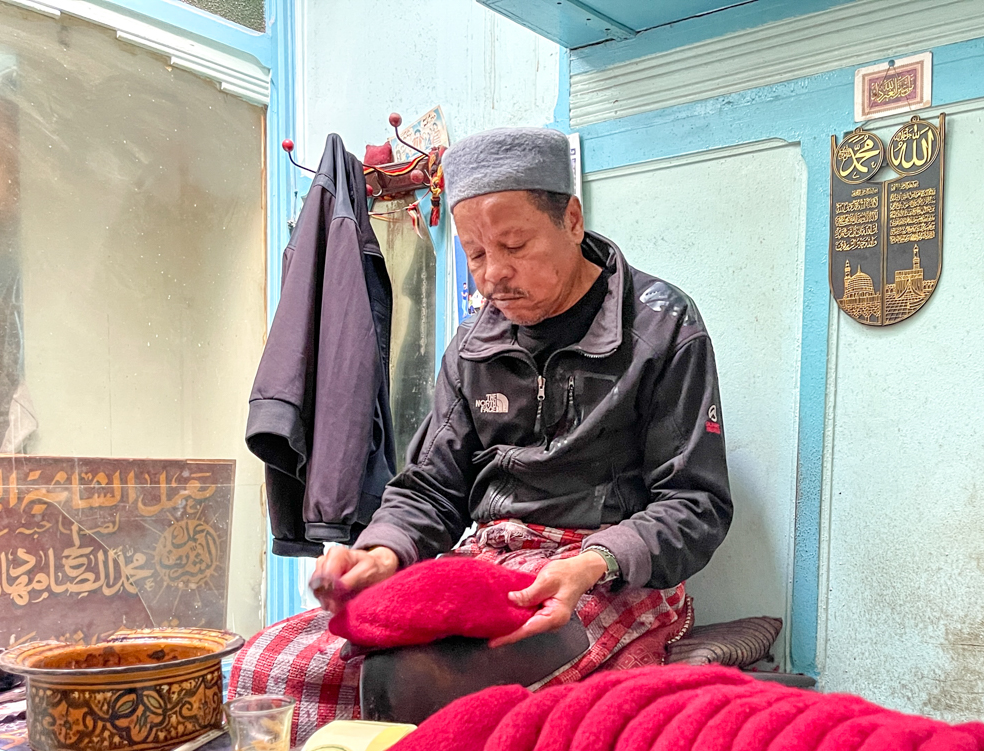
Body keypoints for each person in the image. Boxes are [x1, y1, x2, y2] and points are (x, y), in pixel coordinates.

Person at [313, 125, 732, 678]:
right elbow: (430, 488)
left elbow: (695, 504)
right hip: (488, 561)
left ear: (573, 221)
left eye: (514, 247)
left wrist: (595, 561)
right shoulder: (472, 347)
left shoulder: (662, 325)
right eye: (476, 253)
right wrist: (382, 552)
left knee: (426, 682)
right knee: (295, 665)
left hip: (607, 570)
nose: (492, 275)